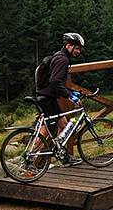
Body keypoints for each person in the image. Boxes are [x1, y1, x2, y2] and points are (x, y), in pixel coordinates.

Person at [35, 32, 84, 164]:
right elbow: (55, 83)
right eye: (77, 48)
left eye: (80, 49)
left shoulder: (58, 56)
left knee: (63, 126)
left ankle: (64, 157)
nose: (78, 51)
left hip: (45, 97)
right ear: (68, 45)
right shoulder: (63, 60)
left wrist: (71, 92)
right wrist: (70, 97)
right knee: (48, 131)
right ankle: (31, 158)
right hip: (48, 99)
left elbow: (57, 83)